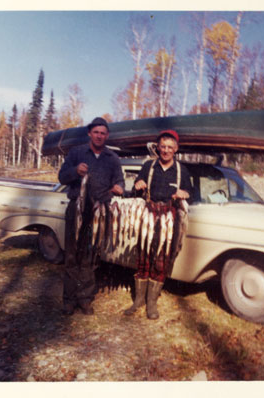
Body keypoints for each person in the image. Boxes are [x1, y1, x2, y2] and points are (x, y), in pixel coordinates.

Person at [58, 117, 124, 315]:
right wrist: (74, 171)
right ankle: (69, 300)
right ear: (89, 133)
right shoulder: (77, 153)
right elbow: (61, 176)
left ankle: (85, 299)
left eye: (103, 133)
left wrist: (120, 187)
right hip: (77, 209)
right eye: (96, 132)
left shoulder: (112, 158)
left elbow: (119, 180)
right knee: (71, 255)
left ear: (107, 135)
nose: (99, 136)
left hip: (99, 212)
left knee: (90, 256)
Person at [124, 129, 192, 319]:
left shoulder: (182, 171)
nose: (166, 150)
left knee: (161, 260)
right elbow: (136, 188)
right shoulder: (149, 166)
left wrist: (185, 194)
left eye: (170, 147)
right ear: (158, 147)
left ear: (176, 149)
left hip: (169, 217)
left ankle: (151, 303)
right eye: (163, 146)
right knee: (142, 256)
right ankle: (138, 300)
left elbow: (190, 194)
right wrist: (138, 185)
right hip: (148, 214)